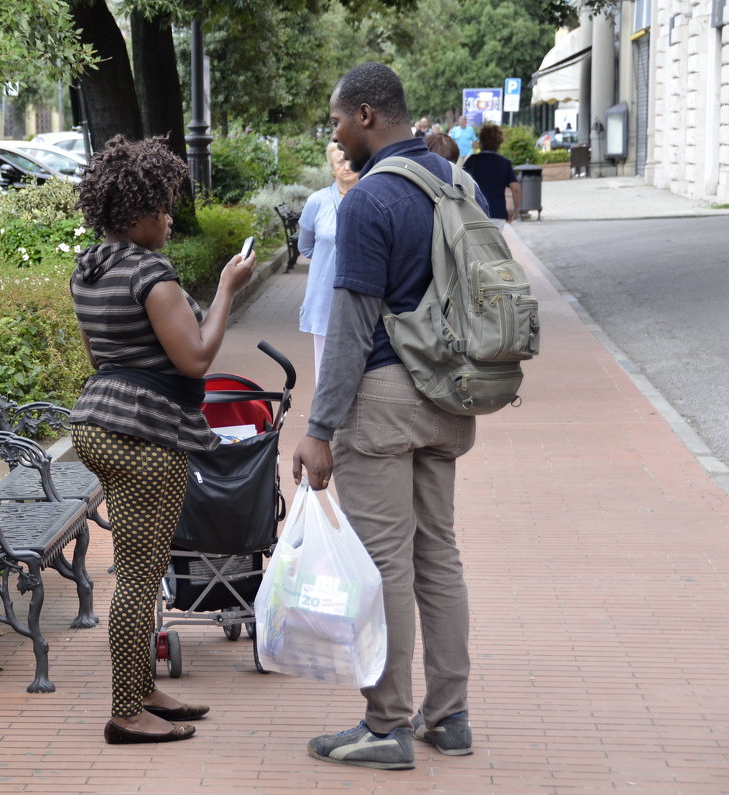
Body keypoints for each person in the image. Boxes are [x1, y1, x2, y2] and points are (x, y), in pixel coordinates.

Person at [293, 61, 485, 770]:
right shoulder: (454, 182)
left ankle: (386, 723)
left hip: (381, 401)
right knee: (439, 553)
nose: (336, 133)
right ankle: (451, 715)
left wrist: (319, 428)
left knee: (382, 567)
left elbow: (349, 326)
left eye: (339, 119)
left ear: (368, 115)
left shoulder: (368, 201)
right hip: (448, 396)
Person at [68, 135, 257, 745]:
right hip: (147, 437)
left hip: (98, 424)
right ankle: (126, 713)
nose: (171, 218)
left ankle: (144, 690)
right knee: (140, 576)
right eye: (163, 208)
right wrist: (229, 287)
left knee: (136, 567)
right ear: (138, 214)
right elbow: (197, 358)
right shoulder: (151, 273)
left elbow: (103, 354)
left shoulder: (89, 268)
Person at [297, 141, 358, 382]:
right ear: (332, 167)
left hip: (362, 292)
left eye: (352, 160)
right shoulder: (317, 201)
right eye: (341, 162)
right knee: (325, 366)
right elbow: (306, 246)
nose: (347, 166)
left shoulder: (371, 197)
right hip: (325, 293)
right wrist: (330, 260)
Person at [463, 123, 521, 227]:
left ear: (481, 141)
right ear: (499, 142)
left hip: (475, 212)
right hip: (497, 213)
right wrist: (516, 210)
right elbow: (515, 189)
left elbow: (461, 185)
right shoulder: (504, 163)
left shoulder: (472, 161)